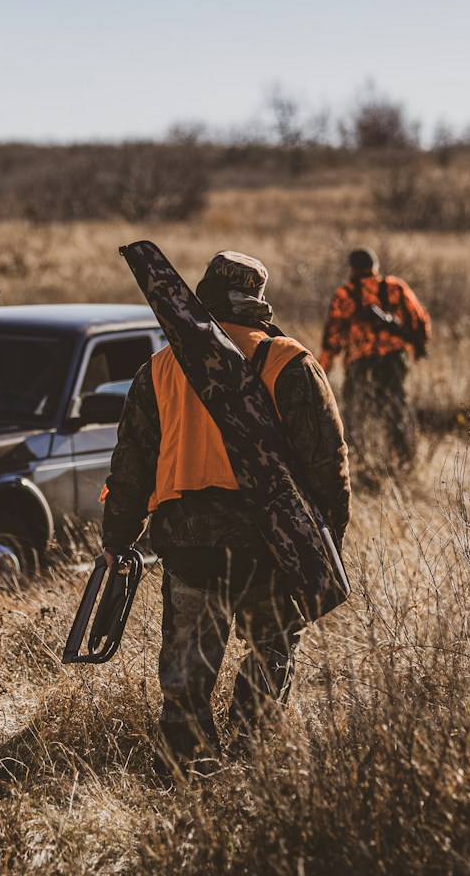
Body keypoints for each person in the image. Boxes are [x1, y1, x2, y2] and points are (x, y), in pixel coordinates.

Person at [101, 251, 351, 774]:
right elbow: (330, 464)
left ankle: (189, 770)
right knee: (272, 651)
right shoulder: (291, 361)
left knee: (187, 674)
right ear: (258, 301)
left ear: (204, 295)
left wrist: (119, 536)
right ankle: (251, 754)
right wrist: (325, 548)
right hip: (271, 543)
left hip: (189, 544)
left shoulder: (163, 367)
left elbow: (131, 465)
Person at [317, 248, 431, 472]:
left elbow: (333, 336)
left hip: (360, 361)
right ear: (375, 267)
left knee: (355, 410)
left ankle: (354, 459)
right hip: (394, 359)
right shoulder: (395, 287)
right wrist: (419, 347)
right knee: (396, 406)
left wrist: (322, 369)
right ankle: (404, 459)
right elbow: (419, 319)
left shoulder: (345, 294)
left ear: (352, 269)